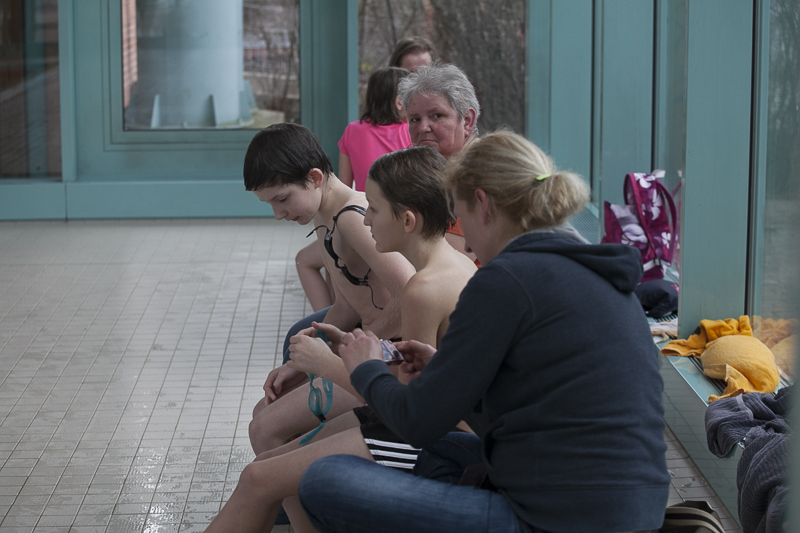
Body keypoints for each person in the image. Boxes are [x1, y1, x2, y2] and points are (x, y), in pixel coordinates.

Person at [298, 131, 671, 533]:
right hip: (635, 508)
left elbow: (415, 423)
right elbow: (540, 398)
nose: (465, 240)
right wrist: (445, 369)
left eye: (459, 215)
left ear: (483, 204)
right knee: (446, 450)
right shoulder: (593, 274)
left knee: (324, 481)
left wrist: (365, 369)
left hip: (561, 520)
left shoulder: (507, 280)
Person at [204, 146, 476, 533]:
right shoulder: (453, 265)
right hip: (424, 421)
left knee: (258, 476)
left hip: (432, 437)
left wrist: (327, 364)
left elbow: (407, 405)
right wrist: (347, 346)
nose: (365, 218)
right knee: (262, 469)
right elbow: (420, 364)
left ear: (407, 220)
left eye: (374, 209)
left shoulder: (423, 289)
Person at [244, 123, 415, 455]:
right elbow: (349, 306)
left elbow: (412, 293)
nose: (278, 214)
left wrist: (351, 348)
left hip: (391, 361)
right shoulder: (325, 216)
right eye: (270, 204)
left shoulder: (352, 217)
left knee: (264, 429)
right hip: (371, 350)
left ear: (315, 178)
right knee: (261, 413)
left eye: (282, 199)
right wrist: (300, 363)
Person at [294, 67, 414, 312]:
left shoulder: (353, 131)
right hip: (402, 228)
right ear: (399, 100)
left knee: (306, 260)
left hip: (362, 219)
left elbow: (342, 187)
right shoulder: (410, 132)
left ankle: (325, 318)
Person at [400, 61, 480, 259]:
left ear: (467, 120)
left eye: (437, 116)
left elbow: (459, 262)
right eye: (415, 119)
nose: (423, 127)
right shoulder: (437, 170)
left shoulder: (477, 175)